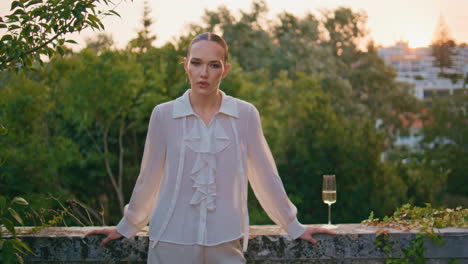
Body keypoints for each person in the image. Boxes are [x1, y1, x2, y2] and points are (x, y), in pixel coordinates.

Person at [85, 32, 336, 263]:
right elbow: (148, 179)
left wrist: (294, 226)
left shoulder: (245, 115)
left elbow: (265, 176)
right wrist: (126, 226)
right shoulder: (163, 115)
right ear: (186, 65)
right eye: (196, 63)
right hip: (171, 242)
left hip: (225, 243)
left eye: (213, 65)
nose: (203, 72)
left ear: (224, 70)